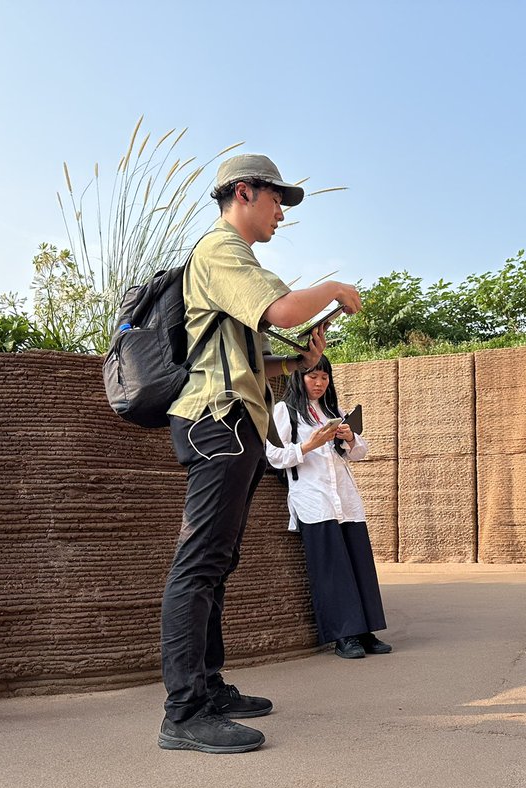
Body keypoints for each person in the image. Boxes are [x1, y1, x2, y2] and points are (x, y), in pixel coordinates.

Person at [157, 153, 362, 754]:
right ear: (242, 192)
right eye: (276, 200)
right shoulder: (220, 249)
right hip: (214, 421)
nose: (280, 213)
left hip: (237, 423)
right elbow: (283, 310)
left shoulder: (232, 261)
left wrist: (298, 364)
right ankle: (183, 712)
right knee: (198, 563)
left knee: (216, 562)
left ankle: (208, 686)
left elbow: (248, 354)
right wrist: (332, 288)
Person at [266, 357, 391, 659]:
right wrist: (308, 445)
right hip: (314, 498)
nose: (320, 383)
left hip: (345, 500)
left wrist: (350, 438)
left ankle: (365, 631)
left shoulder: (334, 412)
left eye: (324, 377)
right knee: (332, 570)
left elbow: (359, 454)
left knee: (358, 564)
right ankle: (343, 636)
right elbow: (273, 456)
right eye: (313, 377)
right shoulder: (285, 411)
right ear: (298, 378)